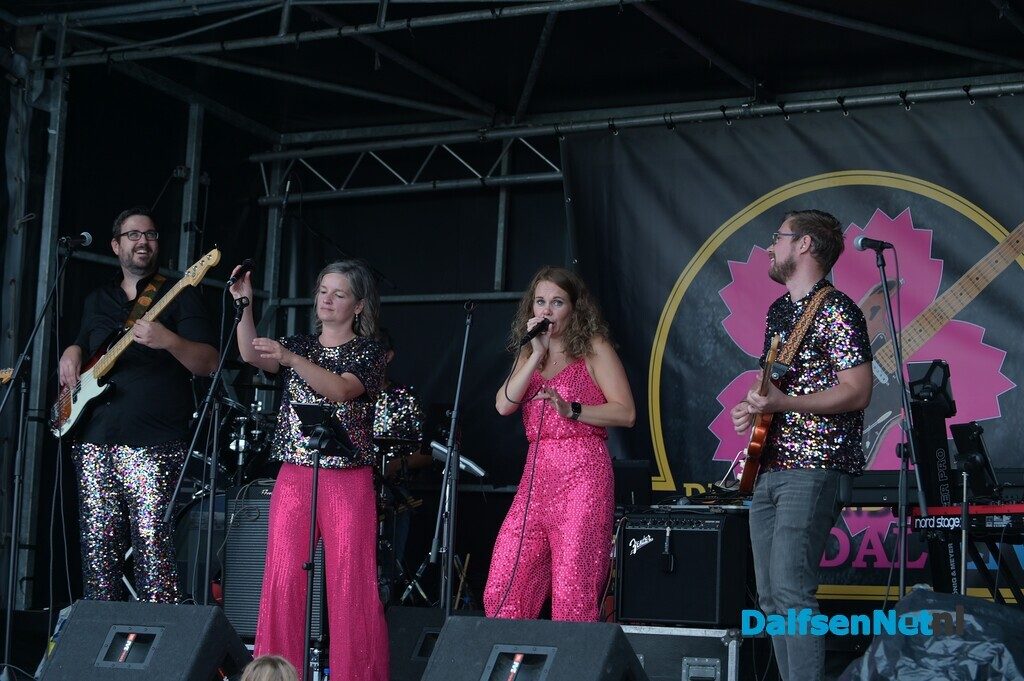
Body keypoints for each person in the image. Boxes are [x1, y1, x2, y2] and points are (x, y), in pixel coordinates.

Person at [730, 210, 872, 681]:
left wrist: (785, 402)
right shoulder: (779, 311)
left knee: (792, 591)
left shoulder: (837, 308)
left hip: (815, 464)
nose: (770, 247)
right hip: (769, 465)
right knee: (771, 597)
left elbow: (858, 390)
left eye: (779, 238)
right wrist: (751, 408)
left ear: (805, 244)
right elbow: (771, 385)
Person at [230, 259, 388, 681]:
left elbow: (341, 389)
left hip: (348, 478)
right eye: (322, 291)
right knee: (283, 577)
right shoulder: (299, 344)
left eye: (339, 294)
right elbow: (250, 354)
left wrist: (291, 359)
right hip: (295, 474)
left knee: (351, 584)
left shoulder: (368, 352)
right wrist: (245, 306)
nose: (327, 300)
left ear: (358, 305)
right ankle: (276, 675)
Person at [57, 207, 218, 602]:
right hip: (94, 438)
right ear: (116, 246)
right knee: (98, 554)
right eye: (133, 234)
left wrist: (169, 341)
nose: (143, 241)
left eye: (150, 234)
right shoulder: (98, 299)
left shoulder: (180, 293)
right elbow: (86, 343)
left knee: (154, 553)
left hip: (154, 442)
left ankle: (157, 637)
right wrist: (72, 350)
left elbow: (209, 363)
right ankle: (98, 635)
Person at [484, 266, 635, 621]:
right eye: (540, 302)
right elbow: (504, 405)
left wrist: (572, 410)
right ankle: (513, 657)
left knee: (572, 592)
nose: (546, 310)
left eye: (557, 302)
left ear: (574, 308)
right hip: (536, 478)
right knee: (504, 584)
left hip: (582, 474)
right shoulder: (529, 353)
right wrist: (536, 353)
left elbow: (626, 412)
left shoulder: (594, 348)